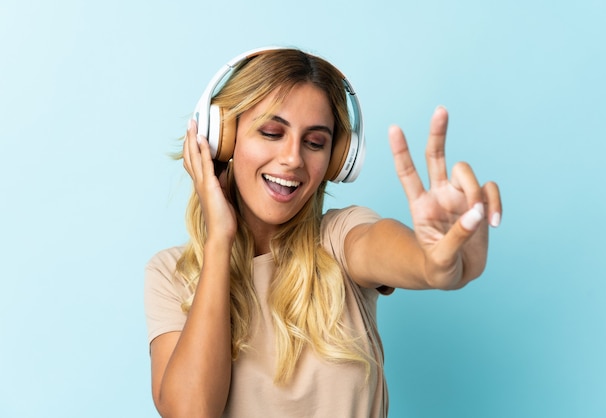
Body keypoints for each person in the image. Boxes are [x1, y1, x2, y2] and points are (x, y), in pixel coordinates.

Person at [144, 47, 502, 418]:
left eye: (315, 143)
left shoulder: (341, 238)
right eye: (271, 132)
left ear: (336, 160)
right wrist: (220, 240)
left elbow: (389, 249)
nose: (293, 158)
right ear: (223, 137)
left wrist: (436, 261)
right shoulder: (170, 276)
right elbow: (190, 412)